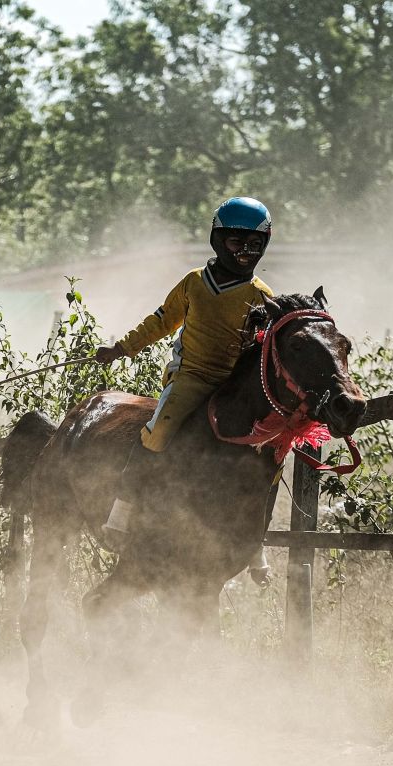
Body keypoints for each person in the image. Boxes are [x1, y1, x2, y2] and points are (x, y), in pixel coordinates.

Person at [95, 196, 276, 546]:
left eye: (255, 245)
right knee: (159, 429)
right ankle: (121, 510)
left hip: (234, 387)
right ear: (217, 240)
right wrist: (121, 349)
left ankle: (255, 546)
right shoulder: (194, 283)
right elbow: (162, 321)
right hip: (192, 378)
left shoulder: (262, 295)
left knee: (270, 448)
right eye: (236, 242)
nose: (245, 252)